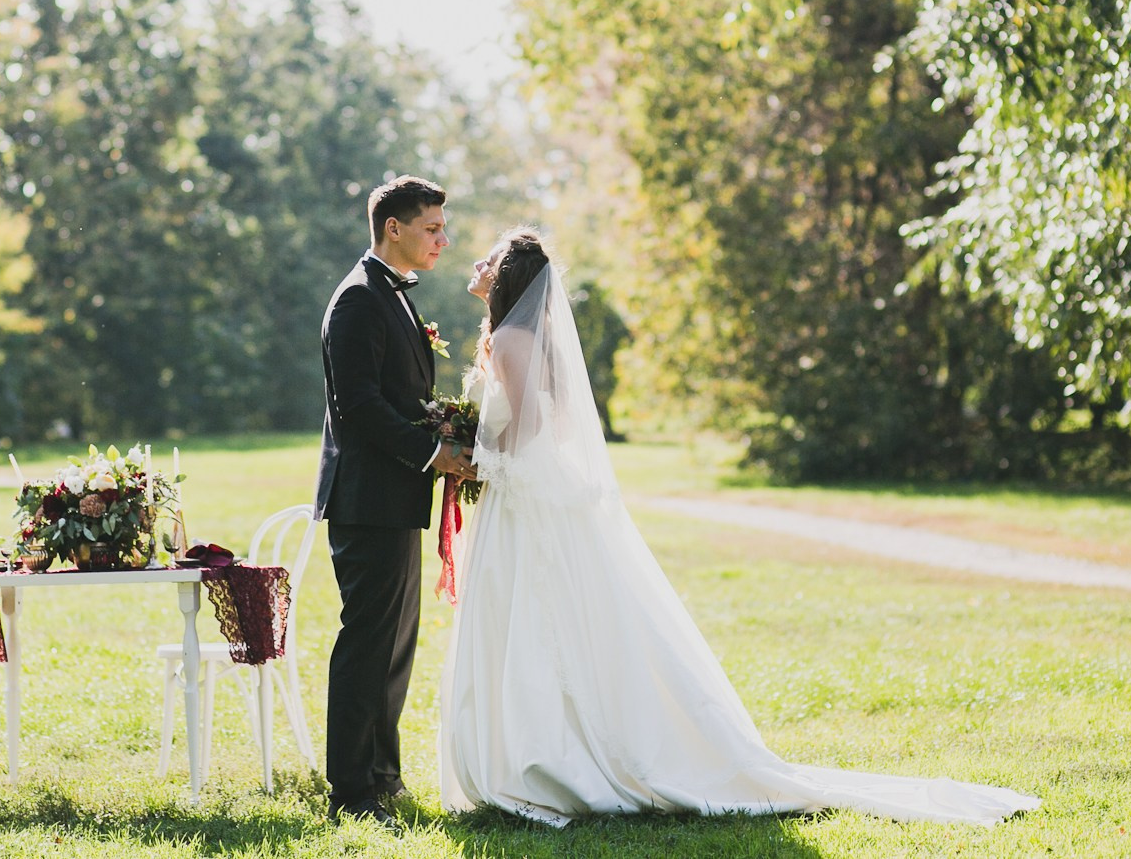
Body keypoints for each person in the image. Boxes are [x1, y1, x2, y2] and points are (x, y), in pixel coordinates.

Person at [437, 226, 1041, 827]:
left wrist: (474, 457)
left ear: (508, 275)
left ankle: (542, 758)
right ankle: (546, 746)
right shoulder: (524, 334)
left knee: (530, 623)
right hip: (533, 498)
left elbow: (531, 429)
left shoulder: (515, 335)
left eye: (488, 258)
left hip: (524, 501)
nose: (476, 262)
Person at [314, 176, 477, 823]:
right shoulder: (358, 299)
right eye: (433, 227)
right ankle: (352, 792)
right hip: (366, 500)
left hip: (395, 499)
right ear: (394, 228)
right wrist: (433, 451)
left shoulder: (394, 297)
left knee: (395, 647)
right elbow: (358, 405)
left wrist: (442, 425)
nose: (443, 238)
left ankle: (383, 776)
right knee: (368, 645)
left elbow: (398, 396)